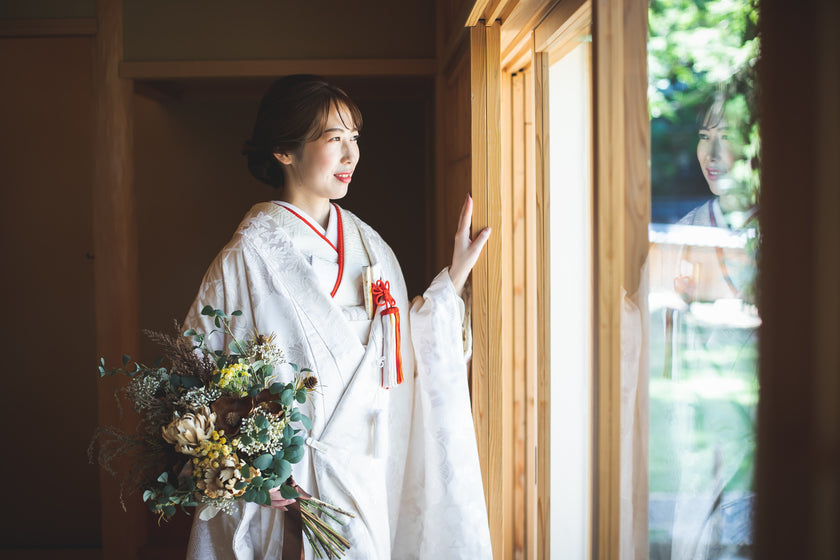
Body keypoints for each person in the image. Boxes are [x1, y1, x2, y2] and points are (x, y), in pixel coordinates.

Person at [182, 75, 493, 559]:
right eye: (334, 139)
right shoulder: (246, 257)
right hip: (293, 484)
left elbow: (404, 353)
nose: (352, 155)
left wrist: (451, 282)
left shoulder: (371, 246)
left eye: (355, 138)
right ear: (284, 151)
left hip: (368, 467)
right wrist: (249, 467)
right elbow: (196, 373)